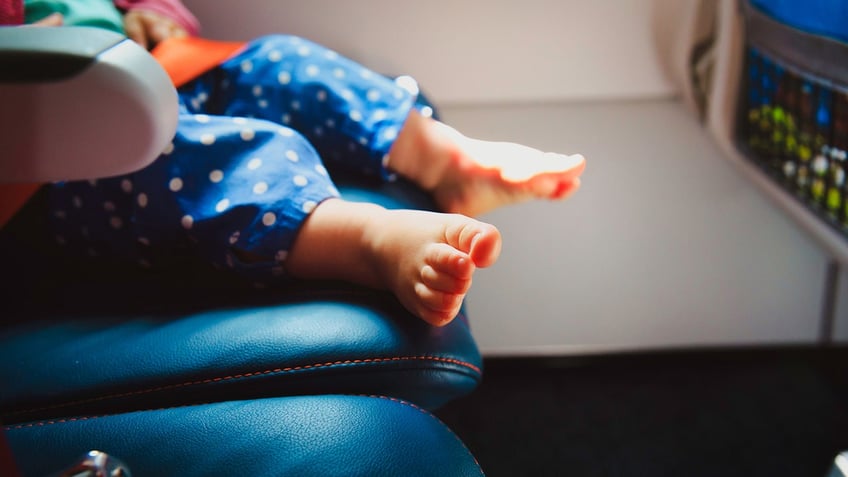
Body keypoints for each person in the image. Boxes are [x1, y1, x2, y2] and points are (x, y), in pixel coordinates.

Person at [5, 0, 586, 327]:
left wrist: (157, 16)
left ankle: (445, 160)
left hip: (150, 75)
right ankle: (367, 241)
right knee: (224, 157)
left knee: (283, 64)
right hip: (42, 151)